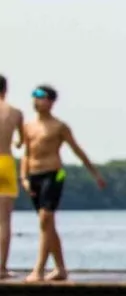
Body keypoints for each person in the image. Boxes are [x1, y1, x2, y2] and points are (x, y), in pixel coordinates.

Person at [20, 85, 106, 283]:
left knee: (45, 219)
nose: (36, 100)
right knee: (47, 225)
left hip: (54, 174)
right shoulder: (28, 126)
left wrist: (95, 173)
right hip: (34, 176)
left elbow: (77, 150)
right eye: (34, 96)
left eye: (40, 96)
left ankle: (38, 271)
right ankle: (61, 269)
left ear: (50, 102)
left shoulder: (59, 127)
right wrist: (23, 178)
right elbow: (26, 154)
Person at [0, 76, 23, 279]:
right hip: (5, 163)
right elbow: (21, 141)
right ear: (5, 90)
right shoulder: (15, 113)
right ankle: (1, 269)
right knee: (4, 220)